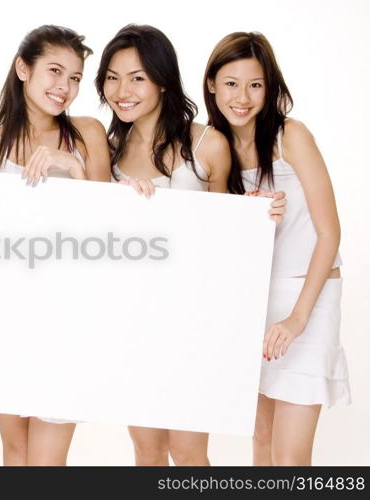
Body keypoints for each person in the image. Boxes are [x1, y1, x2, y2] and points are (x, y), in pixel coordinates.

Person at [0, 24, 111, 466]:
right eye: (55, 71)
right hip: (5, 317)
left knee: (47, 462)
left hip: (69, 316)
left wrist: (73, 167)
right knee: (15, 453)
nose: (65, 87)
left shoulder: (88, 134)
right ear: (23, 68)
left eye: (75, 78)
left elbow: (113, 230)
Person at [203, 31, 350, 465]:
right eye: (230, 83)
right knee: (262, 448)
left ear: (270, 87)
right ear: (212, 84)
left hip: (307, 298)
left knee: (289, 460)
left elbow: (329, 233)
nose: (242, 97)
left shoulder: (291, 136)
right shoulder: (215, 145)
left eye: (255, 84)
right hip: (255, 301)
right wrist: (243, 212)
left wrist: (298, 318)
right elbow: (213, 236)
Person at [95, 23, 232, 466]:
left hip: (193, 318)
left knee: (190, 452)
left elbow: (229, 238)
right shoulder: (108, 149)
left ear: (163, 79)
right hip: (132, 319)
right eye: (112, 78)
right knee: (147, 449)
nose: (122, 90)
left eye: (137, 77)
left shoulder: (208, 144)